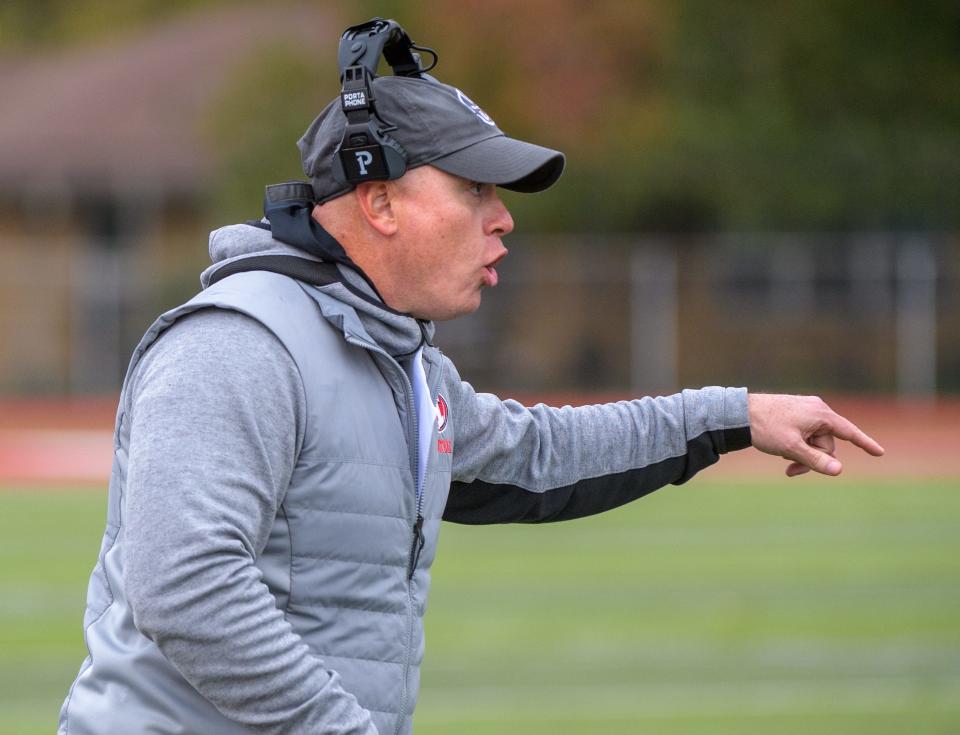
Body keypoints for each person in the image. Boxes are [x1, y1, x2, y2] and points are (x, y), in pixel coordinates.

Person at [58, 22, 884, 735]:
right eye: (475, 189)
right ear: (378, 203)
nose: (503, 218)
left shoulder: (406, 363)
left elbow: (538, 456)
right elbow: (185, 586)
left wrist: (734, 414)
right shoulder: (238, 344)